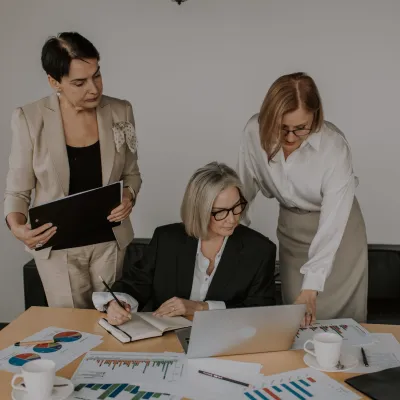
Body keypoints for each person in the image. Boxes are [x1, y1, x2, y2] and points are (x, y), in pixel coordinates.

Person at [4, 32, 141, 309]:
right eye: (79, 82)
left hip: (110, 241)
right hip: (57, 247)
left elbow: (132, 174)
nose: (94, 88)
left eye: (97, 75)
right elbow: (18, 191)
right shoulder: (29, 119)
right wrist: (17, 227)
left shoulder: (120, 111)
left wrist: (128, 197)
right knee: (71, 331)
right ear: (54, 81)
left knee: (115, 322)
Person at [238, 72, 368, 325]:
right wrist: (232, 237)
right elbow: (243, 187)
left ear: (315, 117)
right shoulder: (253, 132)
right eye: (281, 128)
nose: (289, 138)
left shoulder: (334, 147)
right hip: (291, 227)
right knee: (294, 318)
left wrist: (312, 287)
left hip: (338, 234)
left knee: (341, 322)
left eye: (300, 129)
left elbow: (332, 226)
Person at [93, 162, 276, 326]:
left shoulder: (260, 250)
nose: (233, 219)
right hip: (166, 340)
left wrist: (201, 307)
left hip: (228, 339)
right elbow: (135, 284)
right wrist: (116, 303)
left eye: (238, 207)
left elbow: (261, 311)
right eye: (220, 212)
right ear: (198, 210)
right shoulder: (166, 239)